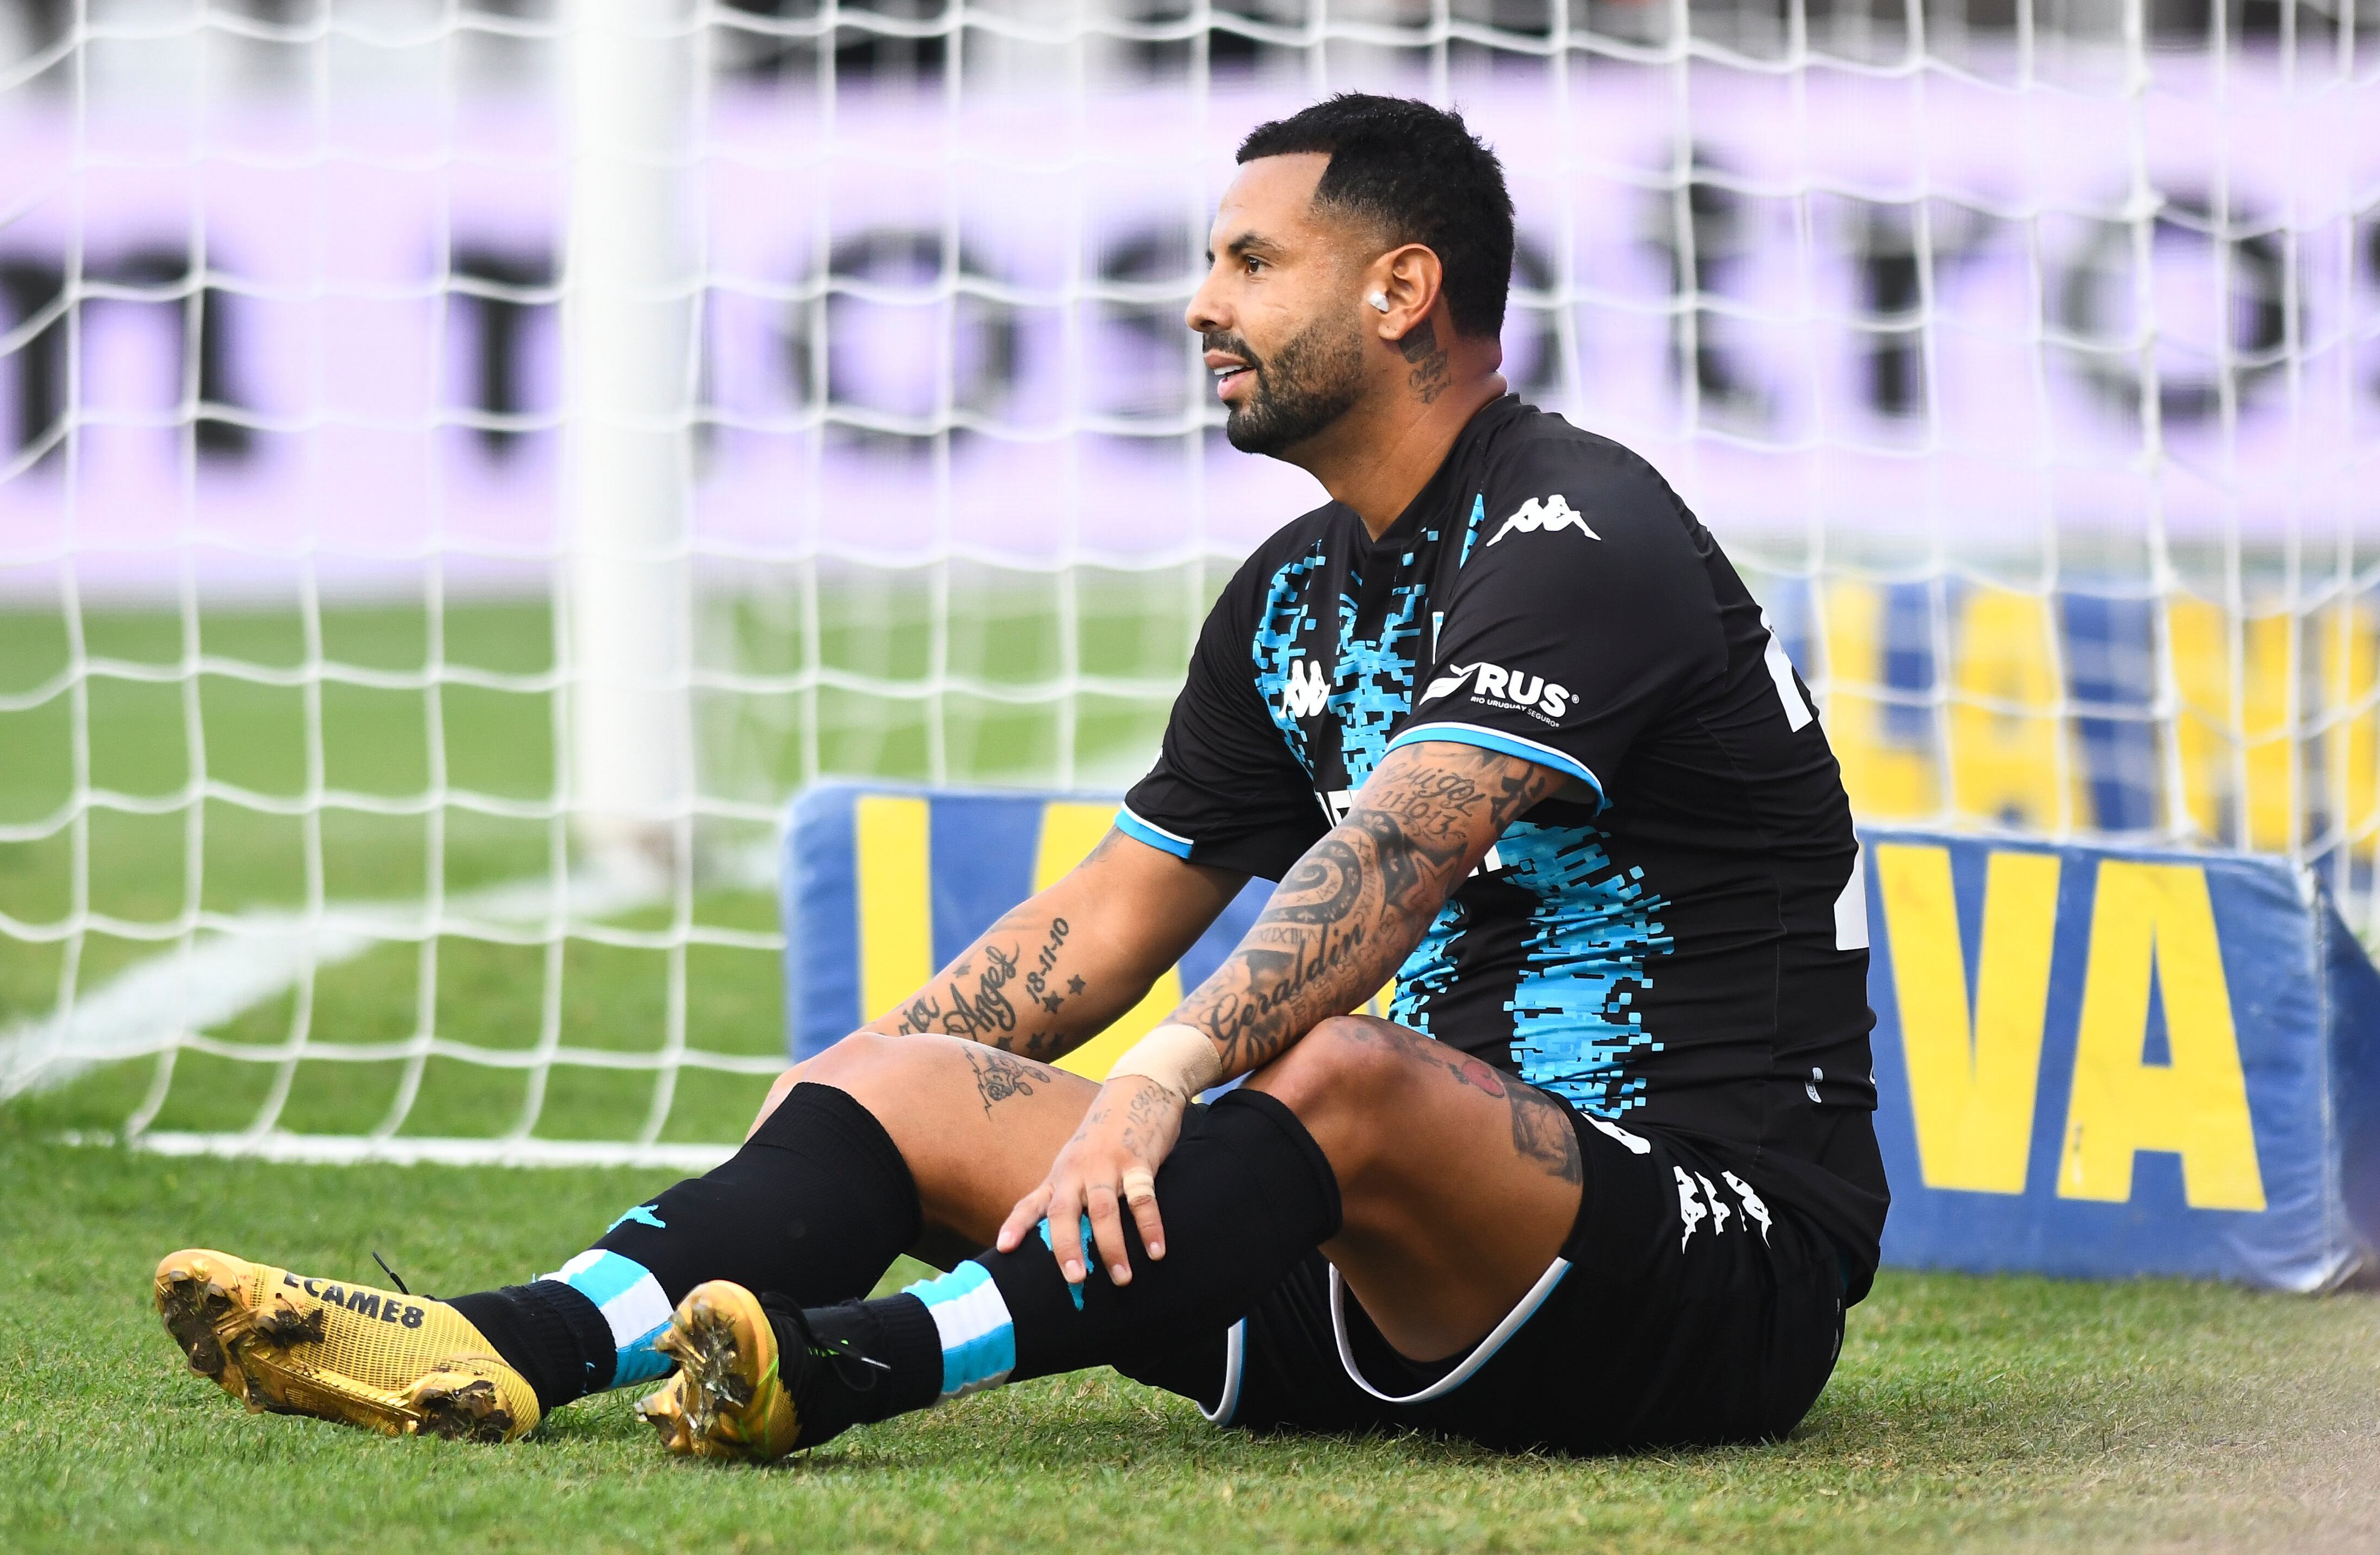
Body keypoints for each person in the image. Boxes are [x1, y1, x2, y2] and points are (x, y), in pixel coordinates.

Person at [152, 93, 1885, 1457]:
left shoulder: (1579, 527)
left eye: (1251, 261)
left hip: (1688, 1277)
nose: (1202, 301)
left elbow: (1405, 847)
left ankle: (853, 1371)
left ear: (1400, 286)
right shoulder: (1292, 591)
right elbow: (1113, 913)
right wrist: (855, 1108)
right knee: (904, 1079)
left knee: (1345, 1072)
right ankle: (508, 1348)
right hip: (1356, 1285)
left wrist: (1180, 1065)